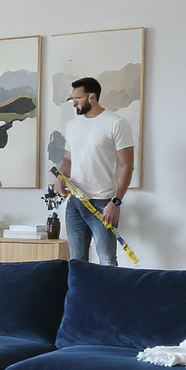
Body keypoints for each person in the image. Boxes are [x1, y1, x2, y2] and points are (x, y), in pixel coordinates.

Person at [53, 76, 135, 265]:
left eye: (77, 98)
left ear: (92, 97)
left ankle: (109, 296)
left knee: (107, 260)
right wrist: (60, 177)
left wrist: (116, 202)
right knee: (76, 261)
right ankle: (80, 296)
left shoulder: (116, 123)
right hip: (75, 202)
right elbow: (68, 159)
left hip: (103, 203)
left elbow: (127, 166)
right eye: (72, 98)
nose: (73, 103)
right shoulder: (73, 125)